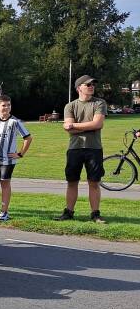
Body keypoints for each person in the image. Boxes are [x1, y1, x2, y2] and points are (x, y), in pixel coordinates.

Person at [55, 75, 108, 224]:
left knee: (94, 182)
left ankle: (95, 214)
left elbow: (97, 124)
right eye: (88, 85)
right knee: (72, 181)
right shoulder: (70, 106)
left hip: (94, 148)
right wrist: (88, 126)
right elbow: (71, 129)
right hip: (75, 148)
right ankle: (69, 212)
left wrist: (74, 126)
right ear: (79, 88)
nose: (92, 86)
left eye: (93, 84)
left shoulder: (99, 103)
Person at [0, 95, 33, 222]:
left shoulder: (15, 122)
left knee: (5, 184)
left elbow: (28, 138)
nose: (6, 107)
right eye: (3, 105)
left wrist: (20, 154)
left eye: (9, 105)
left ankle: (4, 212)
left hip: (7, 161)